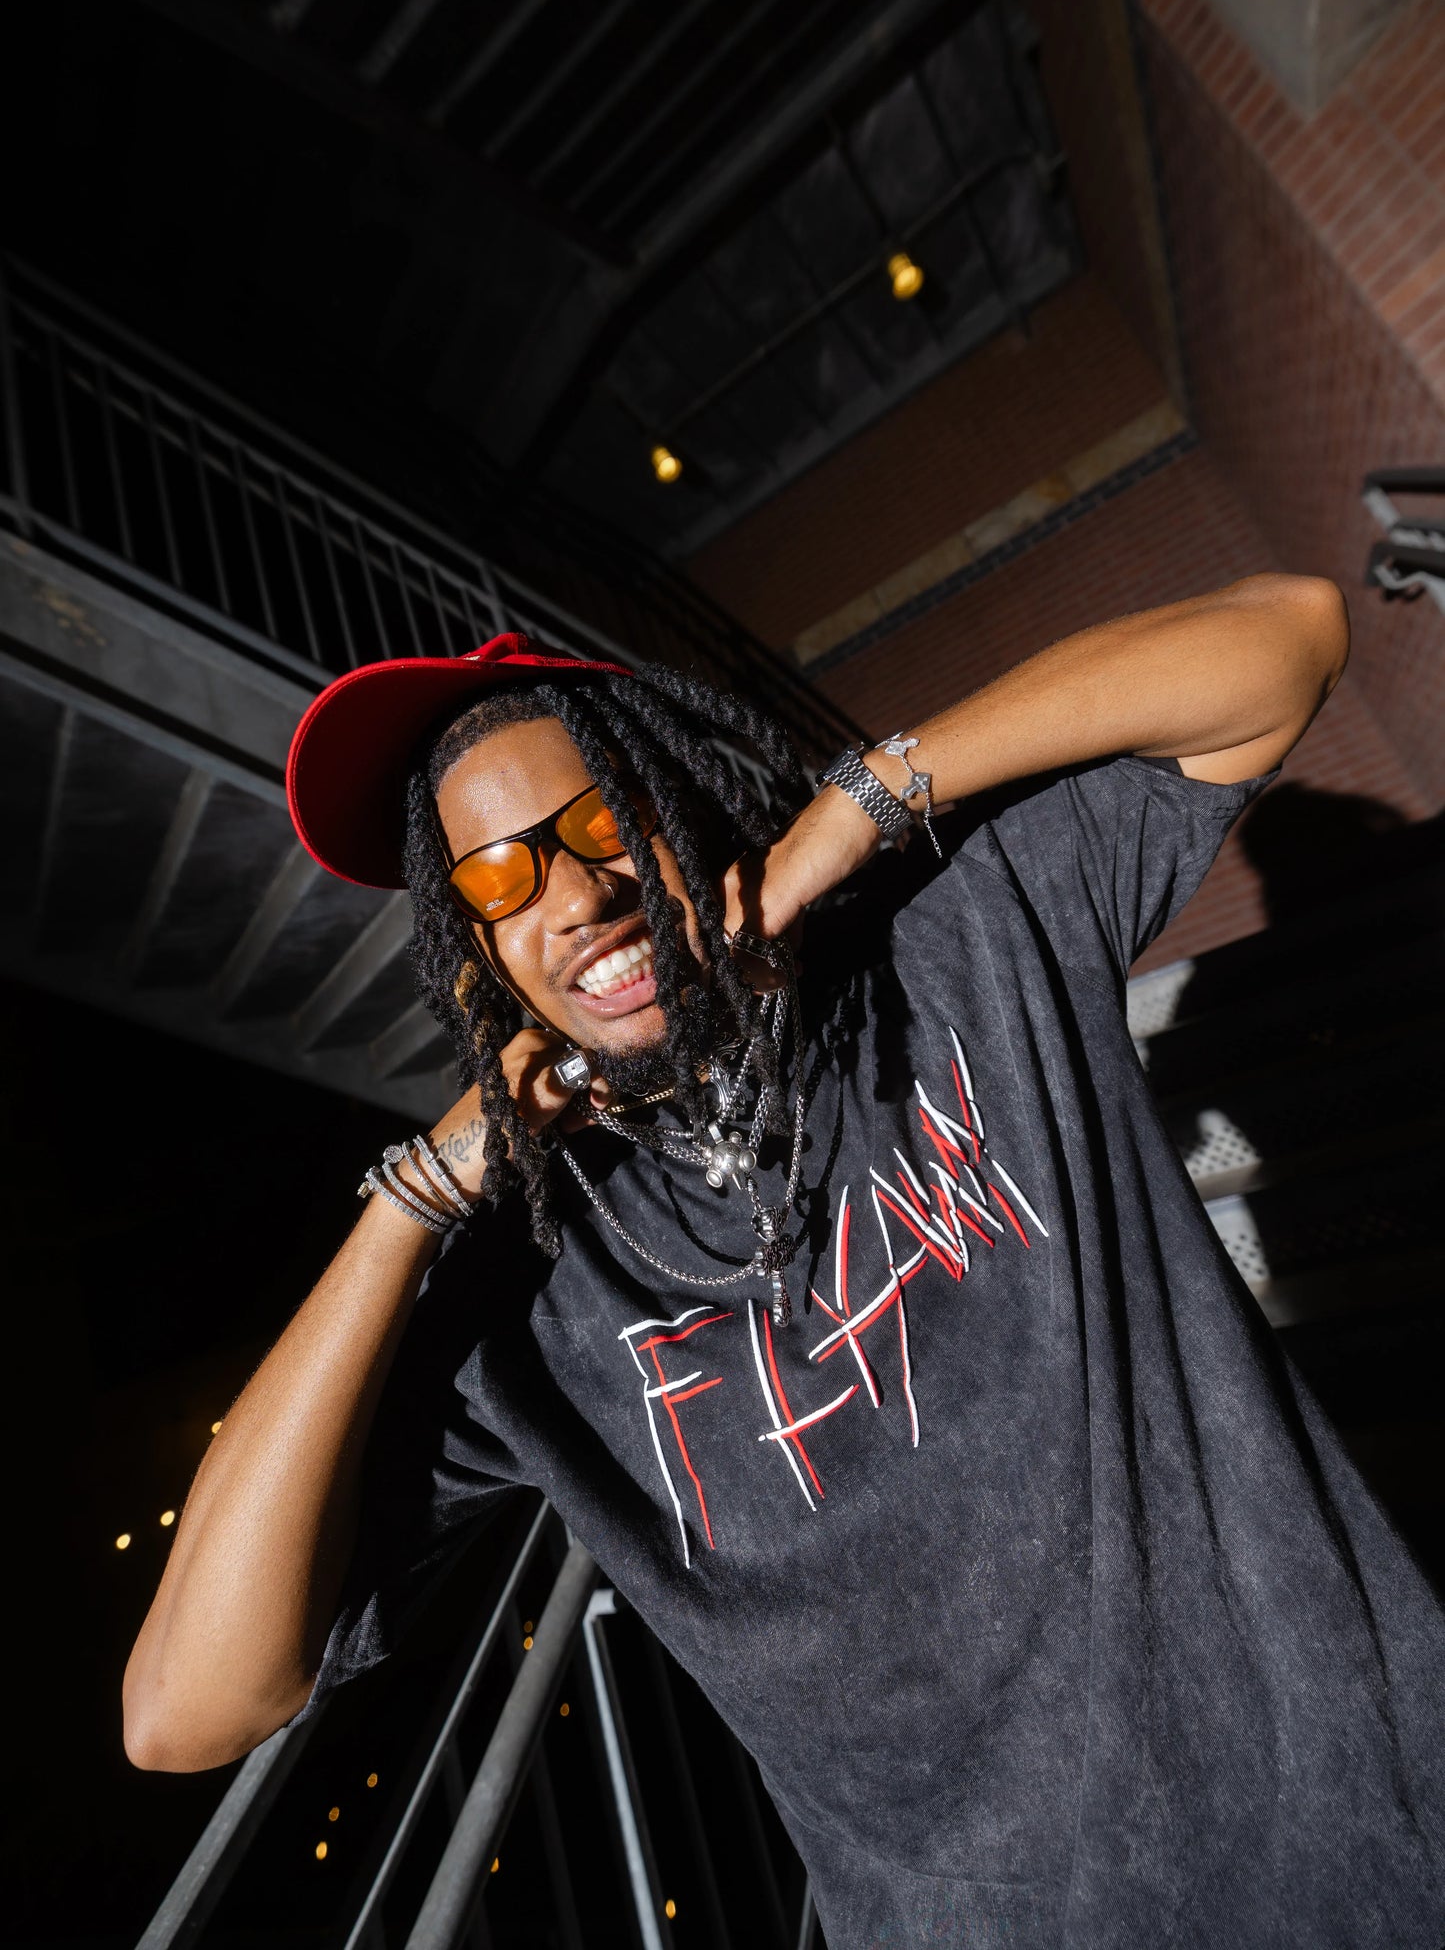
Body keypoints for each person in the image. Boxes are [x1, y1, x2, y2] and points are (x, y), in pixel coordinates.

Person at [123, 577, 1445, 1950]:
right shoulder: (525, 1301)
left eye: (605, 821)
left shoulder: (958, 943)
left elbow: (1287, 638)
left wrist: (857, 808)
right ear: (481, 955)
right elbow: (185, 1711)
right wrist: (415, 1201)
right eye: (499, 881)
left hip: (1362, 1829)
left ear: (683, 809)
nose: (575, 897)